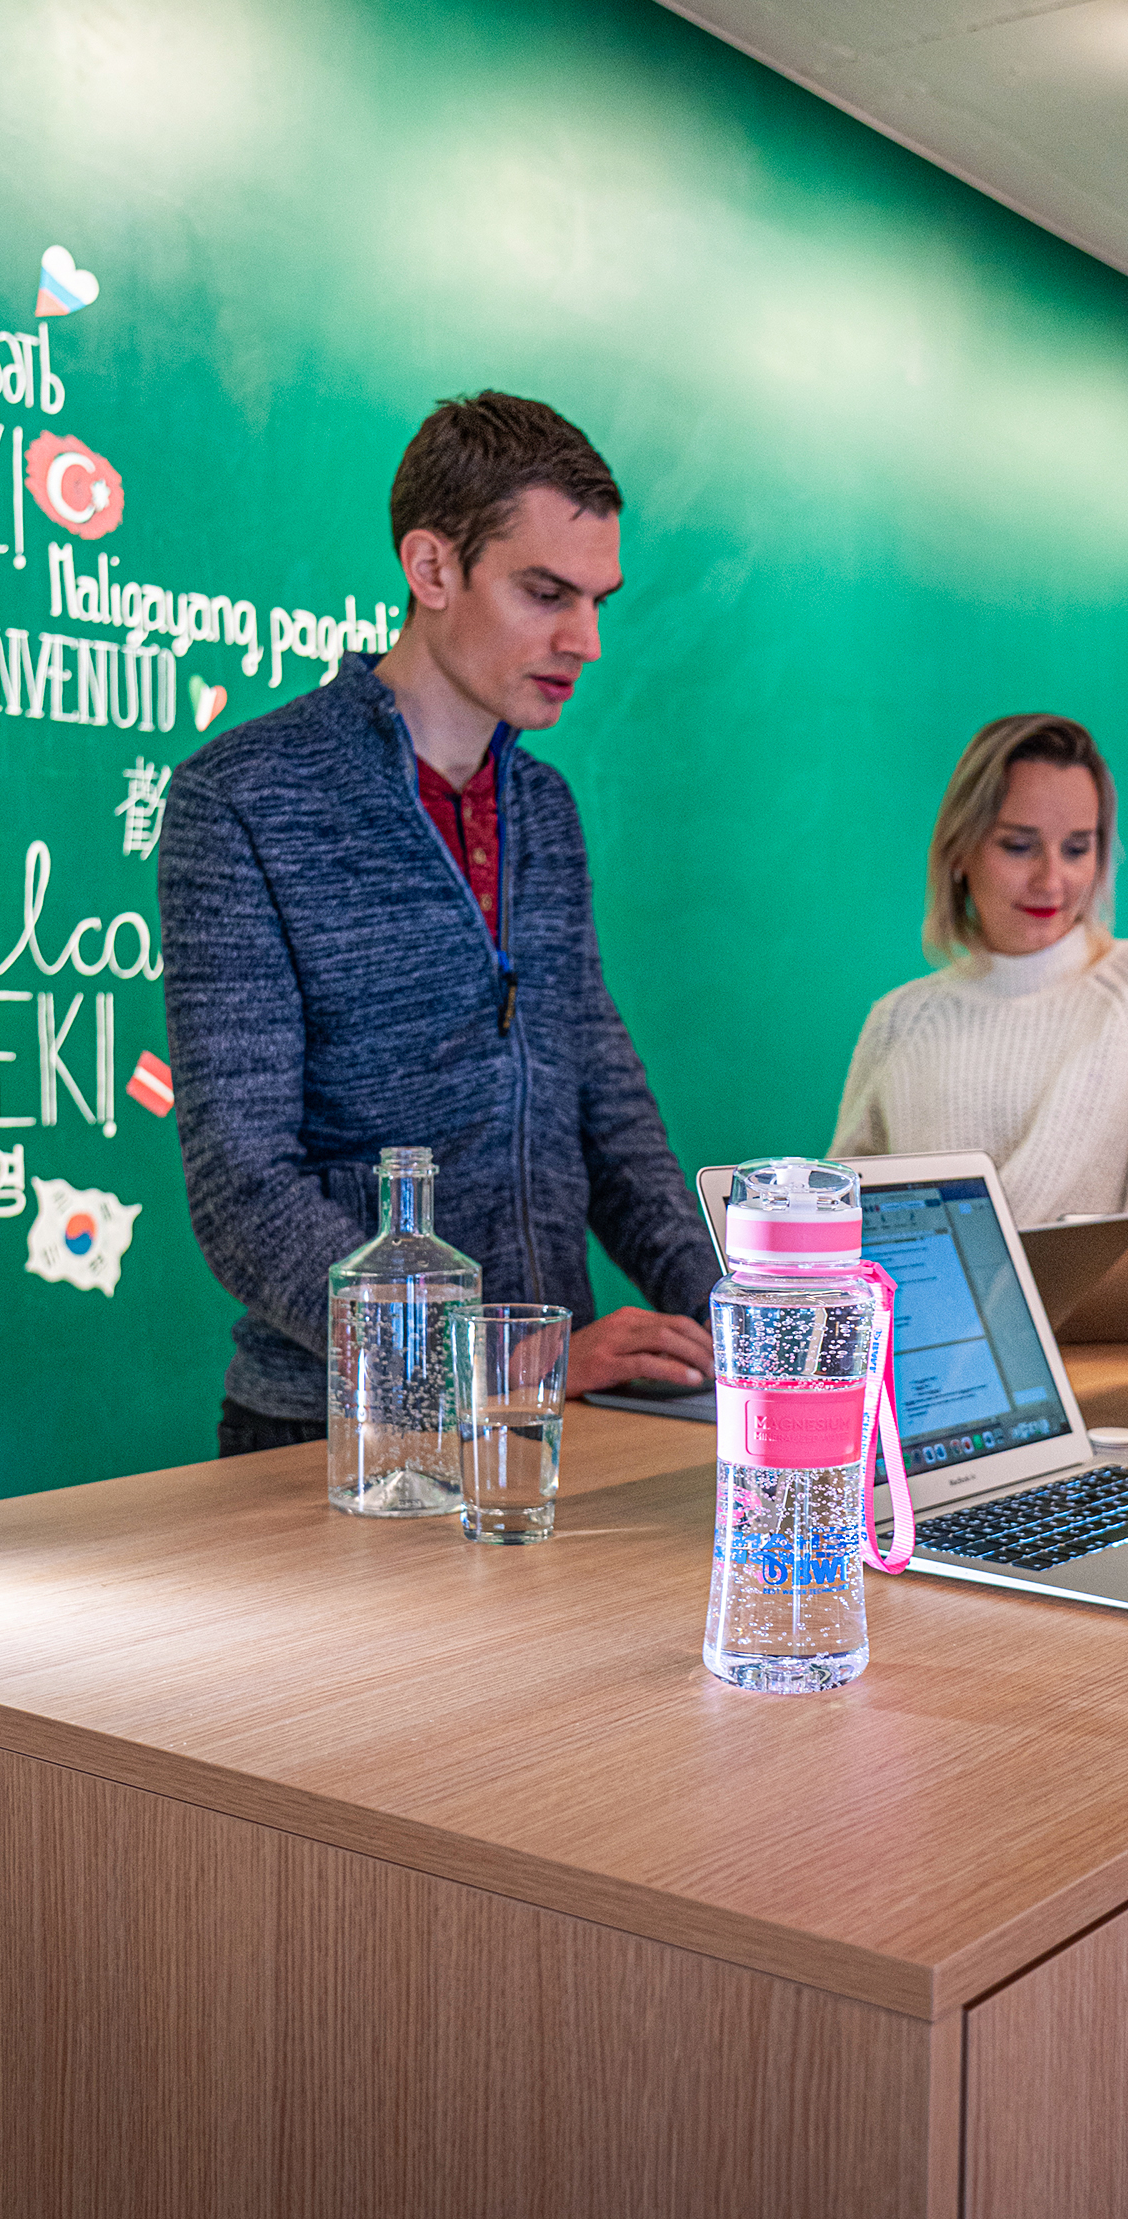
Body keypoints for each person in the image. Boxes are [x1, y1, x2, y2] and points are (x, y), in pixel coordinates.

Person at [159, 392, 718, 1453]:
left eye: (598, 599)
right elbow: (242, 1187)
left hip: (558, 1416)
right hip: (339, 1438)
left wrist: (729, 1315)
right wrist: (494, 1356)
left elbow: (603, 1104)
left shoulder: (543, 810)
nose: (586, 639)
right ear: (432, 569)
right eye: (546, 593)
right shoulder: (242, 800)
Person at [830, 712, 1128, 1223]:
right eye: (1018, 846)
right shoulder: (899, 1021)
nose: (1052, 879)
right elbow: (843, 1241)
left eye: (1077, 848)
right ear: (959, 850)